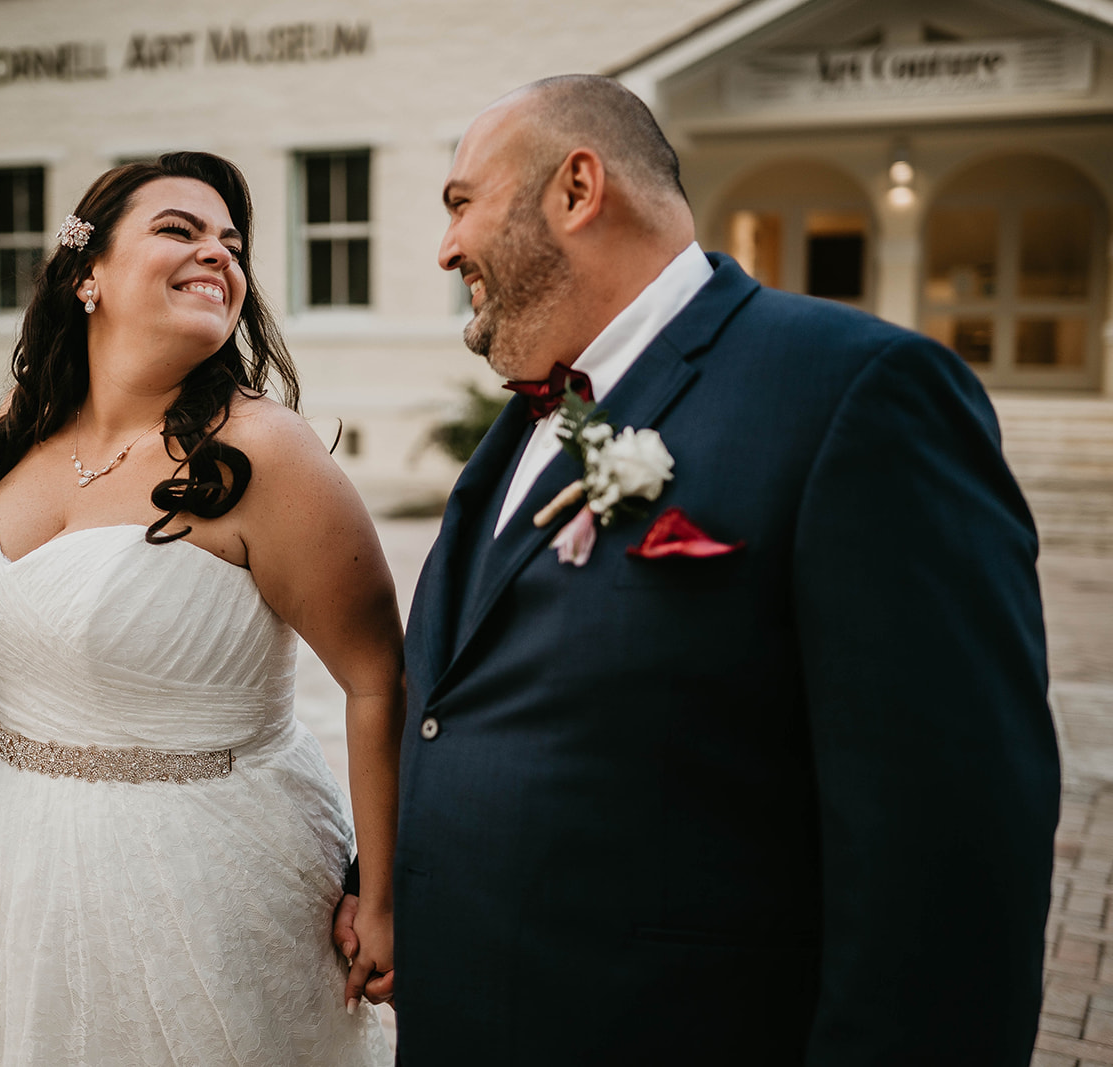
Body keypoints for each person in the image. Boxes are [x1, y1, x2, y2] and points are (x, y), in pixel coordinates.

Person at [333, 75, 1060, 1063]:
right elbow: (471, 714)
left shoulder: (853, 393)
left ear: (576, 187)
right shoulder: (528, 427)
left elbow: (948, 857)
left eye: (462, 202)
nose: (445, 246)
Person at [0, 151, 401, 1064]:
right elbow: (24, 618)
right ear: (89, 275)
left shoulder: (267, 456)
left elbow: (377, 680)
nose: (219, 254)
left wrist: (387, 892)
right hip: (0, 850)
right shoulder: (27, 427)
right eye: (180, 230)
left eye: (233, 243)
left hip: (199, 878)